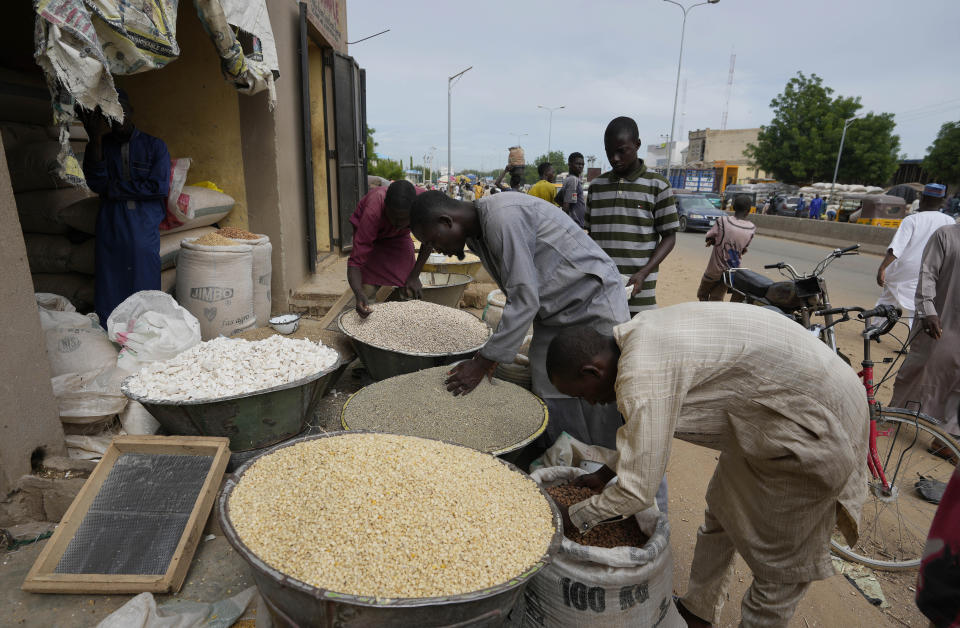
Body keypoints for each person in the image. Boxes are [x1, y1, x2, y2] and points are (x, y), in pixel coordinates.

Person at [545, 302, 868, 628]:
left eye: (581, 394)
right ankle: (698, 611)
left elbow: (637, 492)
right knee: (722, 513)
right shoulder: (634, 338)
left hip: (814, 422)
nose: (587, 401)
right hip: (766, 413)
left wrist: (574, 516)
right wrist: (603, 475)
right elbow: (643, 438)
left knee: (780, 566)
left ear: (591, 371)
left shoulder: (642, 376)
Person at [409, 190, 629, 451]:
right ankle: (568, 457)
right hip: (553, 311)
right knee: (551, 384)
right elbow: (523, 293)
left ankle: (614, 468)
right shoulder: (477, 234)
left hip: (591, 300)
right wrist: (492, 356)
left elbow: (524, 297)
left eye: (435, 241)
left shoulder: (503, 218)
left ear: (447, 222)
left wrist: (482, 362)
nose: (438, 250)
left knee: (606, 393)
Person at [79, 89, 170, 325]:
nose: (115, 119)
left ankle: (147, 325)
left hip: (143, 220)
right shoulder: (102, 145)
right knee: (110, 273)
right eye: (109, 115)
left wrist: (114, 189)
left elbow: (158, 187)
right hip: (112, 218)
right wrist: (95, 138)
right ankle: (110, 327)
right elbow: (97, 183)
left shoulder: (154, 146)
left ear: (130, 112)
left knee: (143, 270)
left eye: (119, 112)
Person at [587, 116, 678, 315]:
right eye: (609, 152)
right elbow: (590, 237)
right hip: (600, 290)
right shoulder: (596, 187)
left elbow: (670, 237)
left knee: (635, 342)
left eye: (621, 151)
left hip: (638, 290)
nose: (614, 158)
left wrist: (644, 273)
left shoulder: (658, 185)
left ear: (637, 145)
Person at [890, 222, 960, 450]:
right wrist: (928, 310)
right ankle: (895, 412)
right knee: (922, 367)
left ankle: (947, 439)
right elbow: (928, 274)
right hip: (942, 317)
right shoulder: (946, 235)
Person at [347, 180, 430, 317]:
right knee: (367, 289)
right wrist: (358, 293)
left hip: (400, 239)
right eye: (394, 217)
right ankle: (367, 321)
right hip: (373, 237)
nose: (397, 224)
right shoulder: (373, 209)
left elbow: (429, 241)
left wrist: (415, 276)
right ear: (385, 207)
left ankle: (403, 320)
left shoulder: (424, 205)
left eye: (404, 219)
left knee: (409, 286)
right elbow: (355, 263)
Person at [875, 183, 954, 322]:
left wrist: (882, 268)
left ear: (922, 198)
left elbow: (896, 248)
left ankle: (874, 328)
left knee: (888, 299)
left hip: (904, 270)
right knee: (919, 306)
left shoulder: (912, 220)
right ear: (942, 201)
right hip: (931, 271)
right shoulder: (949, 221)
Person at [697, 193, 756, 301]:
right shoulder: (751, 228)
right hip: (731, 272)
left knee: (702, 294)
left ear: (733, 207)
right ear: (748, 210)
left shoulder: (723, 221)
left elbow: (709, 236)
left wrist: (714, 241)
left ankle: (706, 315)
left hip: (714, 270)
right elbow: (744, 248)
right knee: (717, 298)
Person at [561, 152, 587, 228]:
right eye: (578, 164)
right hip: (574, 225)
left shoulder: (569, 179)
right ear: (569, 164)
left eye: (582, 164)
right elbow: (566, 205)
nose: (580, 166)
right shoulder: (573, 180)